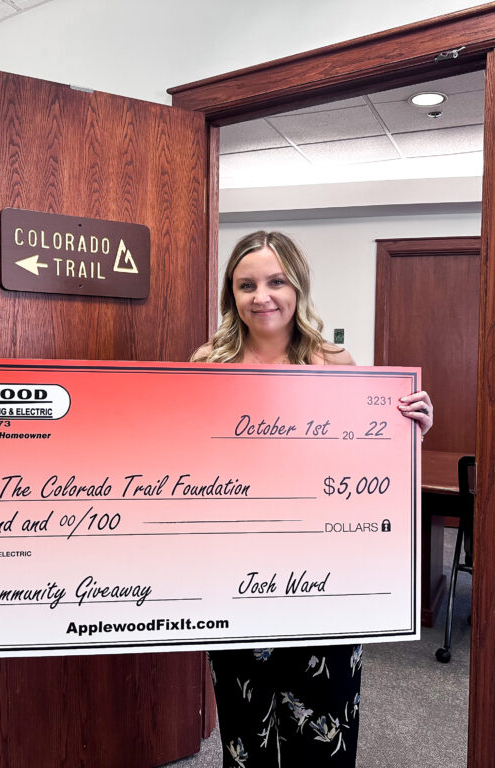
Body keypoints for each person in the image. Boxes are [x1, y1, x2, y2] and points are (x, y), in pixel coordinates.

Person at [192, 230, 433, 767]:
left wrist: (408, 438)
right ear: (230, 294)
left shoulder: (334, 363)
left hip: (324, 586)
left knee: (324, 735)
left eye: (276, 281)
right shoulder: (208, 366)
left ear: (298, 287)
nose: (263, 296)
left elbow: (364, 471)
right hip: (237, 581)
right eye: (246, 284)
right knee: (246, 738)